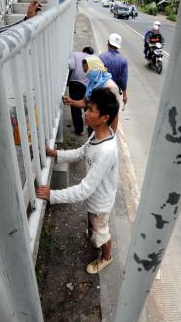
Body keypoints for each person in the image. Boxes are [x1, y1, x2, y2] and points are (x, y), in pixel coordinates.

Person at [36, 88, 120, 275]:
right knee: (93, 225)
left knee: (101, 232)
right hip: (95, 199)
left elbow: (84, 190)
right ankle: (93, 234)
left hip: (100, 202)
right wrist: (57, 154)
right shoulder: (98, 134)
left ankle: (106, 257)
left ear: (104, 117)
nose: (86, 112)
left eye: (90, 110)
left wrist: (52, 195)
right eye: (87, 108)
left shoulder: (106, 151)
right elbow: (81, 152)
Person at [62, 55, 123, 132]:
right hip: (93, 124)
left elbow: (115, 114)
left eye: (87, 70)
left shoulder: (110, 87)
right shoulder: (92, 83)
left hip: (103, 128)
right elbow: (85, 102)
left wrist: (112, 134)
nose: (87, 74)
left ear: (95, 68)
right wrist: (71, 101)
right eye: (85, 71)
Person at [67, 46, 94, 135]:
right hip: (87, 86)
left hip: (74, 83)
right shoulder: (93, 58)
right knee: (88, 108)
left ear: (83, 51)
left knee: (75, 108)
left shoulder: (75, 54)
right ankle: (90, 131)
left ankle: (79, 130)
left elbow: (70, 66)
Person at [99, 33, 128, 107]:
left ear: (108, 43)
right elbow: (123, 80)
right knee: (113, 113)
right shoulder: (123, 60)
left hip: (102, 91)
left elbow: (96, 76)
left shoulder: (101, 57)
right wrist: (124, 95)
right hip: (115, 92)